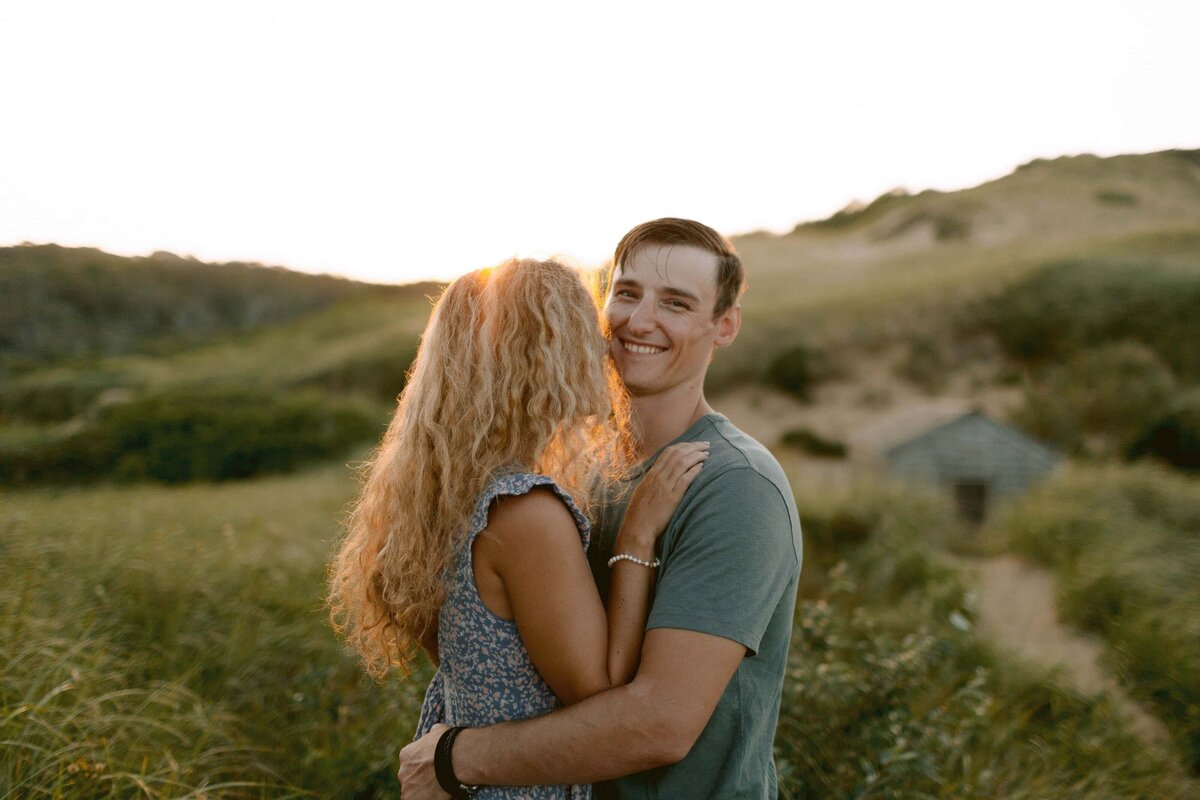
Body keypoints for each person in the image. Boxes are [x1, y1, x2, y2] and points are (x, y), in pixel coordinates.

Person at [399, 219, 803, 799]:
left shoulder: (735, 486)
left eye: (677, 303)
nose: (640, 321)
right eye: (628, 292)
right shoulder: (570, 472)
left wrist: (457, 756)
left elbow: (659, 724)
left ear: (725, 326)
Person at [327, 258, 709, 799]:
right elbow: (599, 691)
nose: (604, 353)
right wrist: (636, 539)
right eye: (584, 335)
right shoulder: (523, 510)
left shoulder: (441, 495)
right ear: (544, 360)